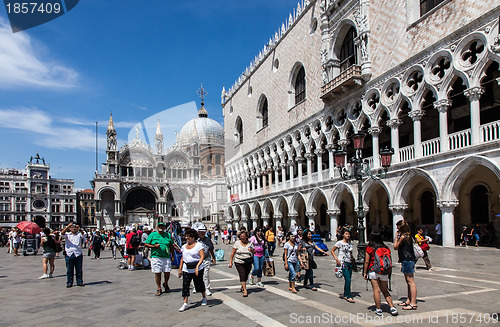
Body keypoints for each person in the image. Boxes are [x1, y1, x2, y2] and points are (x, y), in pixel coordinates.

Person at [363, 232, 398, 317]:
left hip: (373, 270)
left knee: (376, 290)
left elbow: (367, 261)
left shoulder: (369, 248)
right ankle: (392, 307)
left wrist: (364, 272)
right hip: (383, 271)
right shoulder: (386, 248)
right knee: (385, 290)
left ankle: (378, 309)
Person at [178, 228, 207, 312]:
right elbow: (183, 258)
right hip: (186, 268)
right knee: (185, 285)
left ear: (193, 237)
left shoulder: (199, 245)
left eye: (189, 237)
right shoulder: (184, 246)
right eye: (186, 237)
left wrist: (198, 266)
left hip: (197, 267)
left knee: (199, 284)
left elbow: (202, 256)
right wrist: (180, 269)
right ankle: (185, 303)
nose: (187, 238)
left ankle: (204, 297)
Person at [144, 222, 174, 296]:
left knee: (167, 272)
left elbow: (171, 245)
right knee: (158, 273)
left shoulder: (168, 235)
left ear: (164, 228)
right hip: (156, 257)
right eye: (159, 226)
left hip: (166, 256)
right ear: (157, 227)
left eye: (162, 226)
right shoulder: (152, 235)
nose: (161, 227)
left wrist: (173, 255)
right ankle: (158, 288)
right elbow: (146, 243)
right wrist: (154, 246)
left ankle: (166, 283)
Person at [394, 220, 417, 310]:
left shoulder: (403, 236)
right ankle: (409, 300)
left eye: (398, 226)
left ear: (401, 227)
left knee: (411, 281)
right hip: (408, 259)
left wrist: (396, 237)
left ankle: (413, 303)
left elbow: (395, 246)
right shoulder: (408, 235)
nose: (396, 228)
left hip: (407, 260)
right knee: (408, 282)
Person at [228, 230, 255, 297]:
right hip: (239, 261)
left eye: (243, 236)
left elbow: (254, 252)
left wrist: (251, 250)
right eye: (241, 236)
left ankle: (242, 286)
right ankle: (245, 290)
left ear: (246, 236)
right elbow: (233, 253)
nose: (242, 237)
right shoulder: (237, 243)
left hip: (248, 261)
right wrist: (230, 262)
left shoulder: (250, 243)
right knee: (242, 274)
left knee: (246, 274)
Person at [331, 228, 354, 301]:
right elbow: (332, 251)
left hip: (350, 262)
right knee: (348, 279)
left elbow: (351, 253)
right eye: (346, 234)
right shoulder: (339, 243)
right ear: (343, 235)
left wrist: (353, 260)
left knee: (348, 280)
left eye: (349, 234)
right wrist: (337, 259)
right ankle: (349, 296)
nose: (348, 235)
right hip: (343, 263)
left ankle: (346, 294)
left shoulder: (350, 244)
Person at [61, 223, 86, 288]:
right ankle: (69, 282)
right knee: (69, 269)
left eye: (75, 228)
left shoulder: (79, 234)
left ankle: (79, 281)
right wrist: (67, 227)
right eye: (72, 227)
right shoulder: (67, 234)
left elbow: (84, 234)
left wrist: (80, 228)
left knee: (79, 269)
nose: (74, 229)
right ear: (70, 229)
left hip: (78, 253)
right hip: (69, 253)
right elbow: (62, 233)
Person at [195, 225, 216, 296]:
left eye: (203, 232)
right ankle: (197, 287)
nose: (202, 234)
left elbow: (211, 249)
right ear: (198, 232)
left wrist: (213, 258)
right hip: (197, 259)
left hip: (206, 258)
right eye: (201, 232)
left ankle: (207, 289)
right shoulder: (195, 240)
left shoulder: (208, 240)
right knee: (197, 274)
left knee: (206, 274)